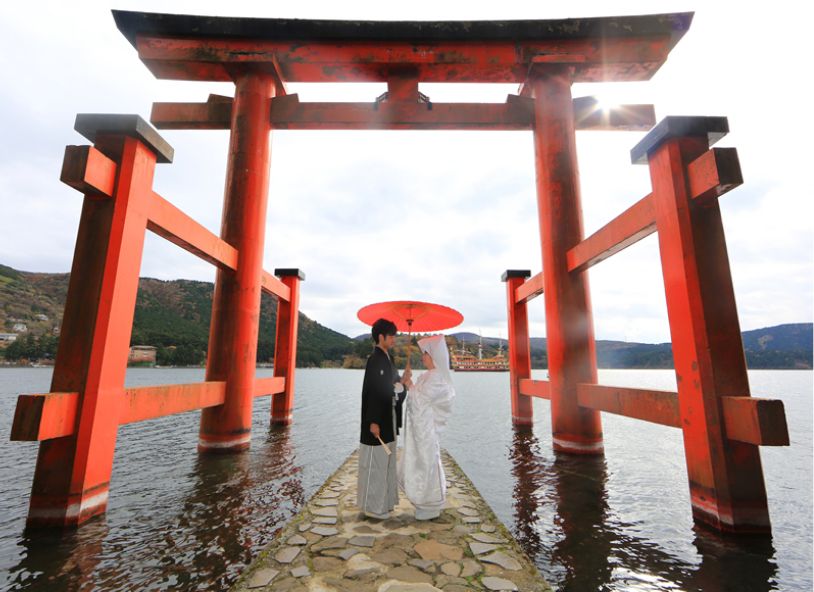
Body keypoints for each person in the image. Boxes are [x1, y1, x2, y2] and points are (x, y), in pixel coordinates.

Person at [399, 334, 456, 520]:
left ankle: (430, 503)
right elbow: (418, 397)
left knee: (427, 461)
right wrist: (409, 384)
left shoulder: (438, 378)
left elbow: (420, 401)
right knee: (418, 461)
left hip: (427, 430)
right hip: (420, 428)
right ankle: (419, 499)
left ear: (433, 356)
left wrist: (410, 386)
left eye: (425, 354)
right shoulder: (427, 376)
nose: (422, 357)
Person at [357, 318, 409, 520]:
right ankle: (373, 507)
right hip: (378, 421)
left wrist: (403, 382)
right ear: (381, 337)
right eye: (391, 336)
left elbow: (393, 390)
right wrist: (373, 421)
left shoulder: (389, 359)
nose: (394, 339)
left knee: (386, 463)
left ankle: (385, 504)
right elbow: (373, 392)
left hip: (390, 417)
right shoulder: (375, 360)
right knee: (375, 463)